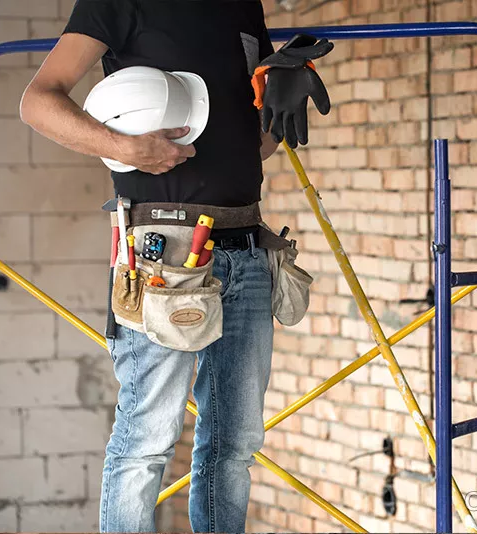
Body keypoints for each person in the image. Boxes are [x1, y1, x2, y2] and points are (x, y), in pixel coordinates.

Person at [19, 1, 330, 532]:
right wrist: (124, 148)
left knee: (234, 445)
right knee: (145, 442)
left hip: (246, 246)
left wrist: (281, 95)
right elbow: (37, 101)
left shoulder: (241, 4)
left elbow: (250, 147)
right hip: (163, 254)